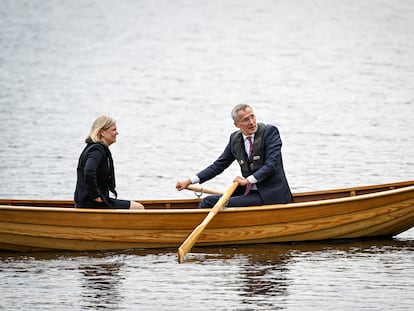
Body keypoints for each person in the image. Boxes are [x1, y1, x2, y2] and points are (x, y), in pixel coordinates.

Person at [176, 104, 292, 208]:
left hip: (271, 195)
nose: (251, 122)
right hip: (249, 192)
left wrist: (247, 181)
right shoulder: (234, 139)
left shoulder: (270, 132)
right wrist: (189, 181)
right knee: (213, 201)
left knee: (208, 202)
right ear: (236, 124)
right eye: (246, 120)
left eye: (252, 116)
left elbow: (271, 165)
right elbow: (218, 166)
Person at [74, 116, 144, 209]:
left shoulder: (92, 147)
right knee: (138, 208)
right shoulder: (96, 150)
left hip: (87, 202)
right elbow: (88, 172)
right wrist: (96, 196)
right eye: (114, 130)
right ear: (102, 132)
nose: (117, 133)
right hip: (92, 203)